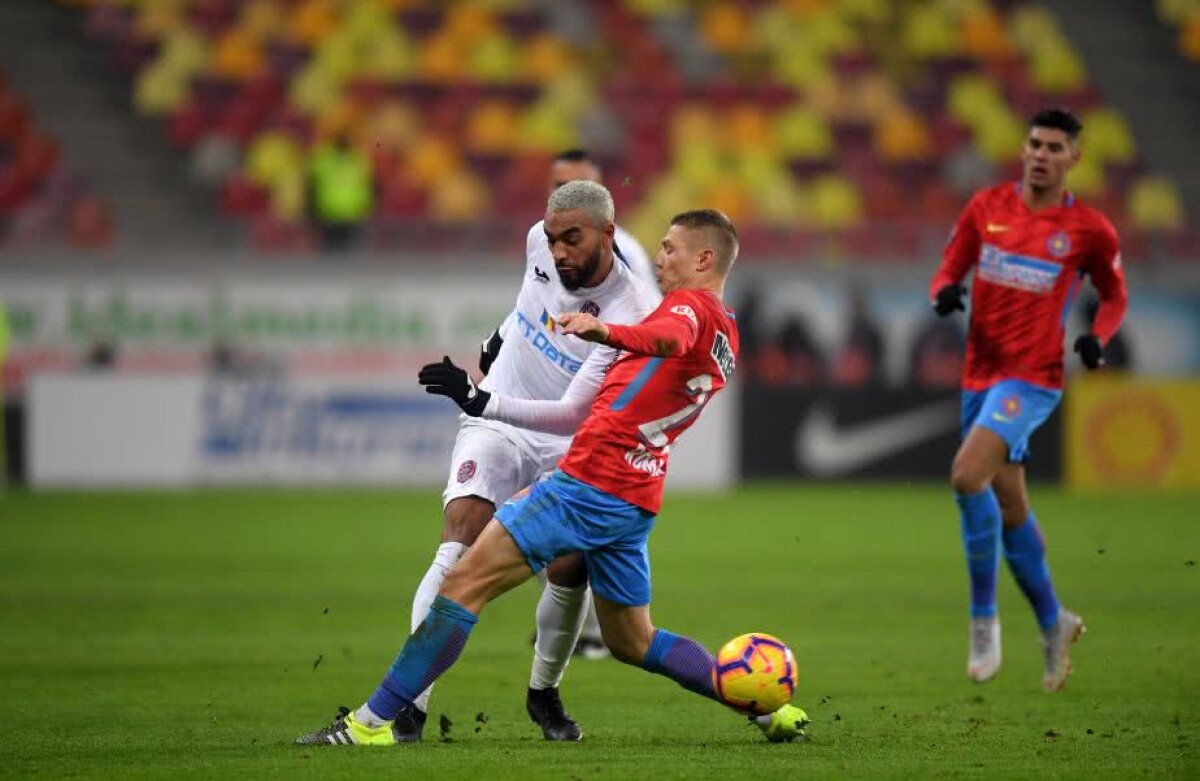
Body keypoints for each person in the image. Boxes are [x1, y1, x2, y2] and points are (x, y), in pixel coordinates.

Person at [295, 209, 810, 747]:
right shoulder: (726, 330)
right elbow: (582, 404)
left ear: (704, 259)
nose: (658, 257)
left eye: (669, 248)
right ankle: (766, 710)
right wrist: (487, 394)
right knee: (633, 640)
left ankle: (370, 724)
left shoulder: (686, 309)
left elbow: (671, 338)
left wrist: (605, 329)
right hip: (634, 497)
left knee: (463, 583)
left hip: (588, 483)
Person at [393, 180, 658, 742]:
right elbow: (529, 304)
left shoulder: (632, 310)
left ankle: (543, 694)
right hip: (497, 425)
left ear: (607, 234)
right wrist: (500, 335)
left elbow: (570, 414)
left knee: (570, 567)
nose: (558, 250)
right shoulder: (537, 240)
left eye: (573, 239)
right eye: (554, 237)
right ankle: (408, 707)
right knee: (459, 538)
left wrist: (476, 396)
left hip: (562, 440)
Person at [929, 108, 1128, 691]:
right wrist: (945, 293)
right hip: (979, 374)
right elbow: (949, 268)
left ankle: (983, 621)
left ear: (1075, 158)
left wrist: (1097, 337)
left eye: (1054, 147)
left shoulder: (1090, 230)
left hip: (1032, 379)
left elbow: (1114, 296)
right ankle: (1053, 622)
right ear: (1023, 149)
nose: (1042, 154)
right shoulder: (985, 207)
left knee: (967, 476)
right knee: (1011, 505)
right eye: (1035, 144)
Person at [548, 149, 659, 298]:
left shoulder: (624, 253)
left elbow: (651, 309)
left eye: (581, 187)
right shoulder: (538, 242)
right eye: (561, 186)